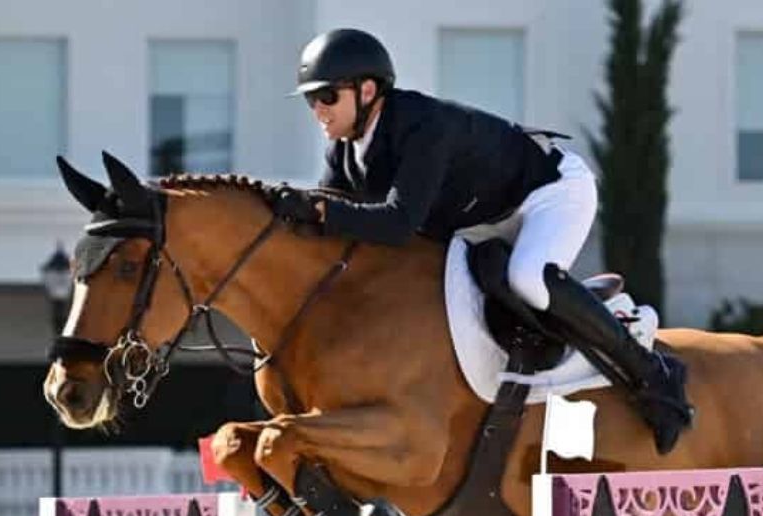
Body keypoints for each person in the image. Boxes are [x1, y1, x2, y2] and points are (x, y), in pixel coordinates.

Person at [270, 28, 693, 454]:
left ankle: (655, 372)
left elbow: (396, 223)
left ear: (366, 91)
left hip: (550, 191)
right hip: (488, 216)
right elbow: (336, 223)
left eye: (326, 97)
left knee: (527, 277)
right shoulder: (344, 152)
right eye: (310, 100)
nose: (318, 110)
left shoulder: (421, 126)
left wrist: (322, 212)